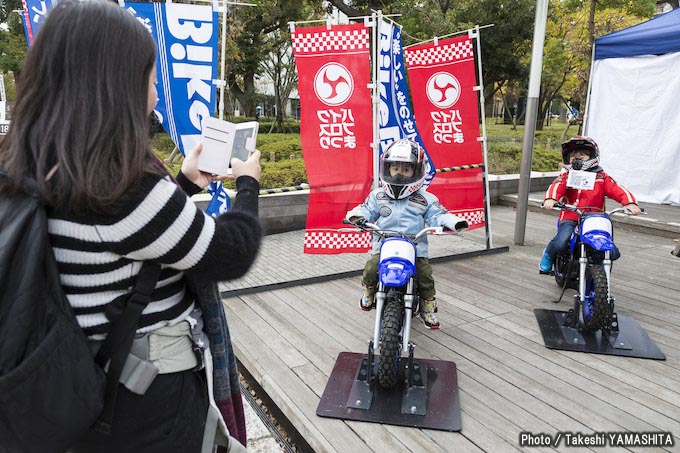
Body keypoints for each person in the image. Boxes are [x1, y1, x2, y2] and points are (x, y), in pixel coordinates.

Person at [0, 1, 261, 451]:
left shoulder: (43, 164)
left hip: (92, 380)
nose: (156, 94)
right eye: (150, 78)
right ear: (114, 83)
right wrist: (249, 184)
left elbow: (129, 240)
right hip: (148, 396)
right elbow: (231, 251)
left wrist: (183, 183)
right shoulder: (121, 184)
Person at [345, 139, 468, 330]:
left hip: (415, 247)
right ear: (387, 169)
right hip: (384, 245)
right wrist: (356, 217)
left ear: (417, 171)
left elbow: (438, 215)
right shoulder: (378, 196)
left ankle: (428, 304)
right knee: (370, 268)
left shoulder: (425, 198)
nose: (399, 174)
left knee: (425, 274)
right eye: (395, 169)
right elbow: (366, 209)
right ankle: (369, 290)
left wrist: (453, 223)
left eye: (406, 170)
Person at [539, 136, 641, 273]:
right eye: (573, 156)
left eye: (582, 155)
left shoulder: (601, 176)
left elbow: (617, 189)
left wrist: (629, 202)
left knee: (613, 252)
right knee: (561, 241)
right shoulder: (567, 175)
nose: (578, 158)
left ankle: (599, 267)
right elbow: (557, 186)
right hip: (571, 216)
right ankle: (548, 253)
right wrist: (551, 199)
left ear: (592, 156)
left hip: (595, 218)